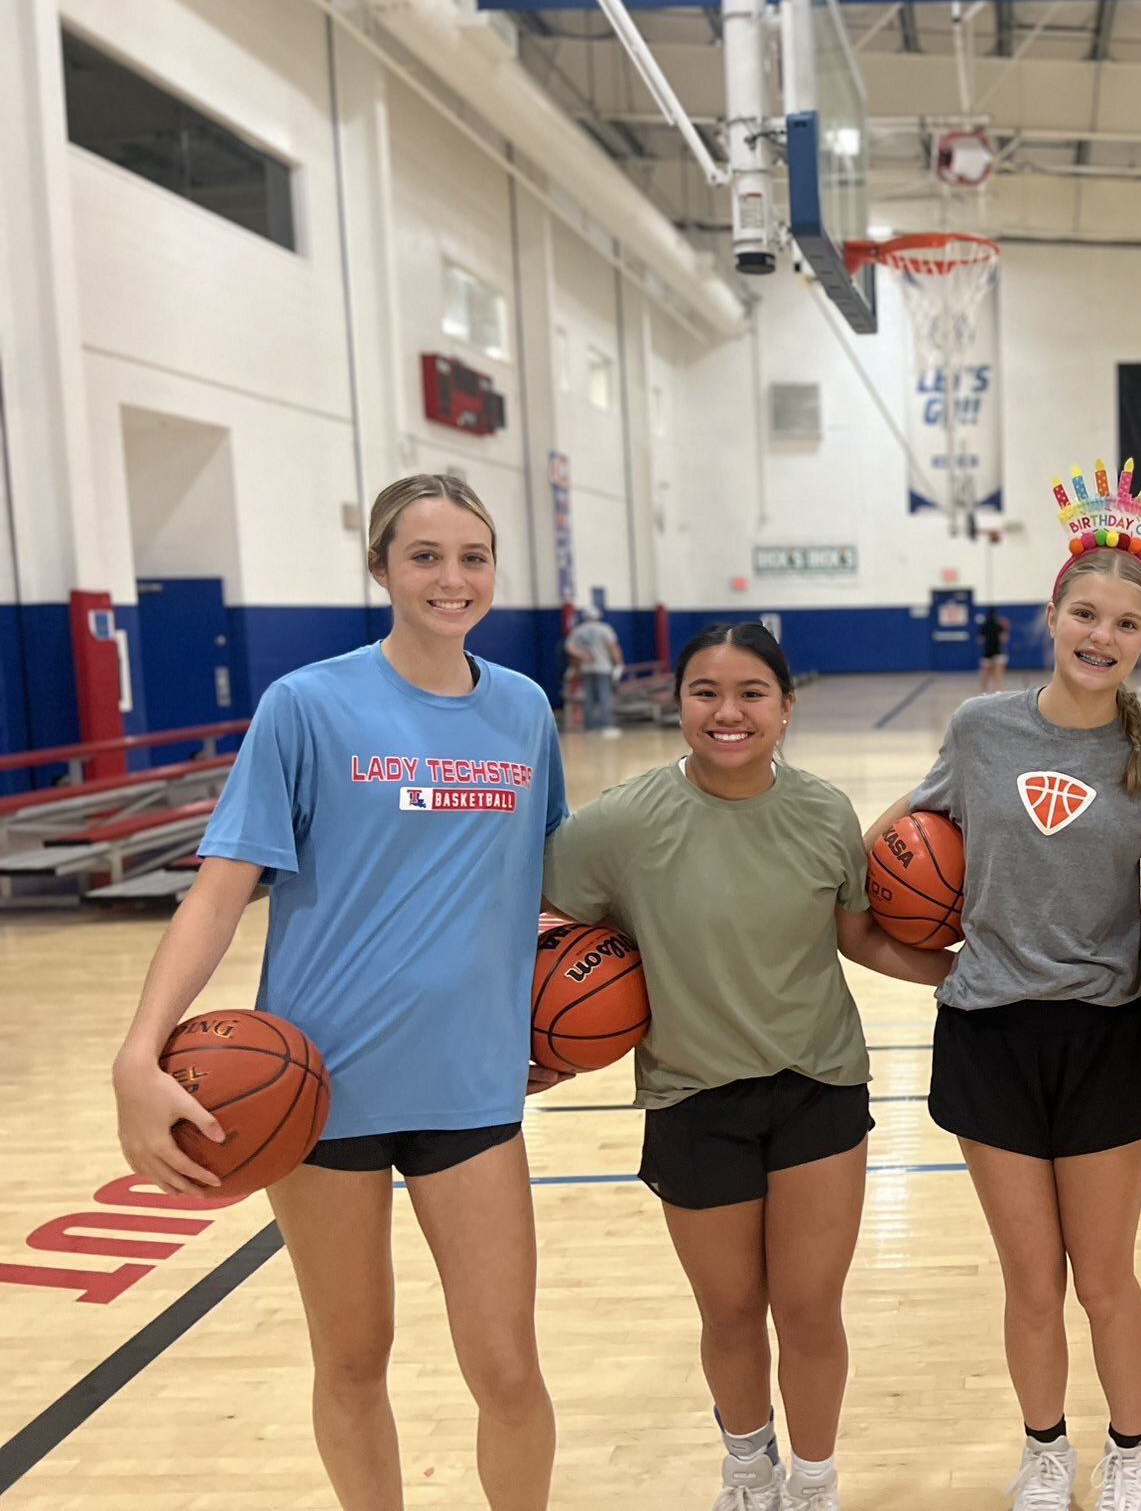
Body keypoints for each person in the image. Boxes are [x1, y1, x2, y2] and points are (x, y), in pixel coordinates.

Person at [112, 473, 568, 1511]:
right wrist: (139, 1052)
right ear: (379, 568)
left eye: (471, 556)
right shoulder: (307, 706)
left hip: (472, 1092)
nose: (451, 578)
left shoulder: (522, 709)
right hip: (320, 1094)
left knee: (507, 1371)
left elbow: (534, 885)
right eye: (424, 556)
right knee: (353, 1364)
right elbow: (220, 893)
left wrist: (549, 1011)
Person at [543, 621, 953, 1511]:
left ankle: (813, 1481)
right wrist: (537, 1043)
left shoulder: (822, 811)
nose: (728, 712)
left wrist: (969, 974)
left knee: (809, 1309)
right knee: (730, 1313)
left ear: (785, 707)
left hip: (819, 1085)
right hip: (692, 1095)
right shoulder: (616, 825)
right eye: (706, 693)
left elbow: (857, 937)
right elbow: (542, 931)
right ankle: (747, 1465)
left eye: (750, 694)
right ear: (679, 702)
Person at [865, 463, 1141, 1511]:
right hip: (984, 1033)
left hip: (1102, 1035)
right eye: (1085, 614)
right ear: (1049, 616)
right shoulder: (980, 732)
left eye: (1126, 624)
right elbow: (895, 850)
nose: (1102, 636)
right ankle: (1045, 1450)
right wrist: (922, 958)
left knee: (1103, 1279)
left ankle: (1133, 1452)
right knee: (1028, 1281)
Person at [566, 605, 624, 736]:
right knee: (605, 696)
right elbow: (613, 647)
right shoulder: (604, 629)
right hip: (603, 668)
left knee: (589, 698)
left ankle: (589, 727)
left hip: (586, 669)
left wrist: (583, 655)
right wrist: (619, 663)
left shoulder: (578, 631)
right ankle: (607, 725)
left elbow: (569, 647)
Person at [979, 606, 1012, 693]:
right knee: (998, 673)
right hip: (998, 651)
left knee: (985, 674)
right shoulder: (999, 625)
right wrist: (1006, 629)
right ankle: (998, 691)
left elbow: (980, 640)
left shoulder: (984, 625)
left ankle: (984, 692)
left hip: (987, 651)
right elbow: (1004, 639)